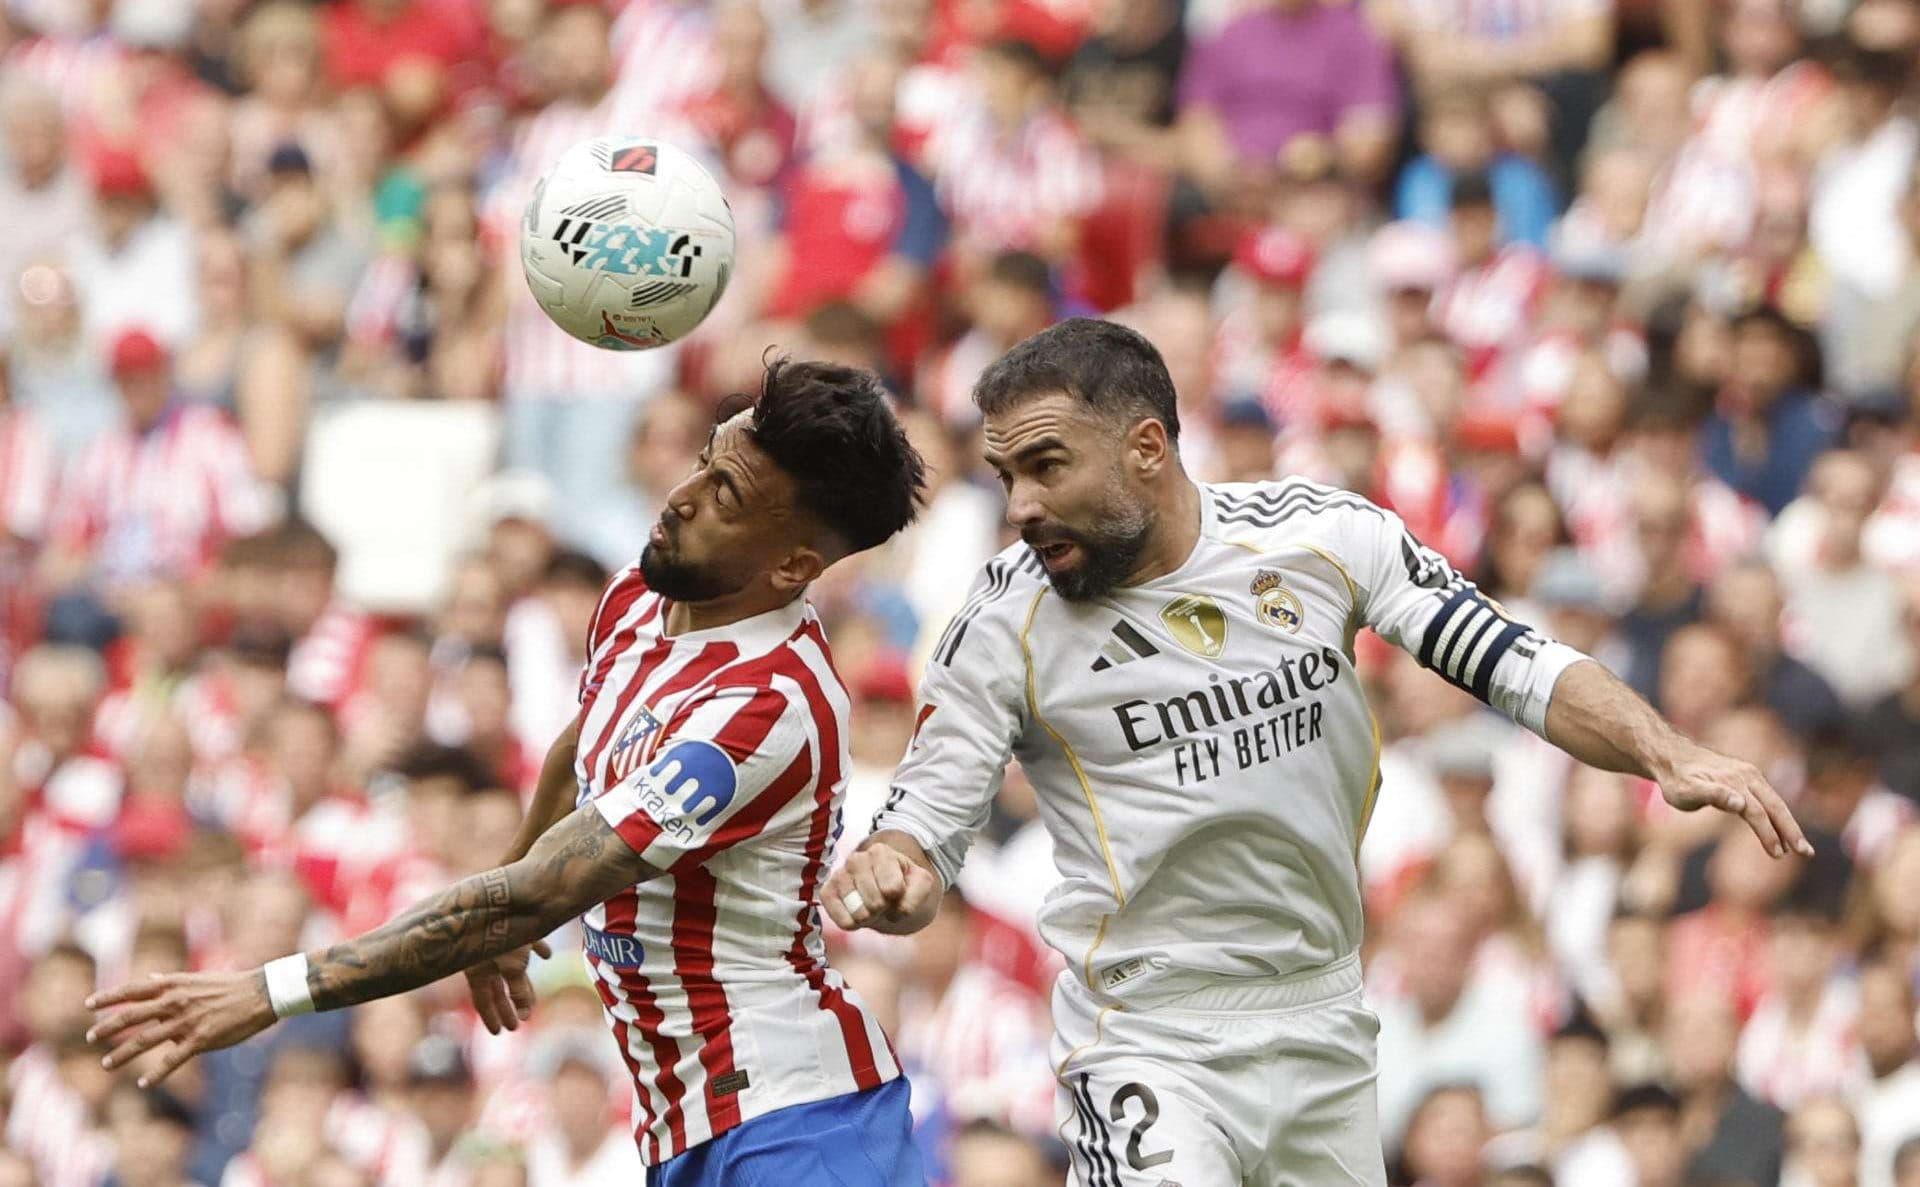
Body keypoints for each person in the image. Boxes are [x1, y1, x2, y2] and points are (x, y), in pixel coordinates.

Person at [827, 318, 1812, 1186]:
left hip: (1323, 1012)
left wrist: (1667, 752)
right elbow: (928, 821)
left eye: (1047, 466)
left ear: (1146, 447)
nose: (1022, 506)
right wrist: (897, 871)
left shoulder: (1320, 537)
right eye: (1006, 477)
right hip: (1144, 1028)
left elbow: (1516, 661)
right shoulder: (1005, 619)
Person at [84, 359, 932, 1187]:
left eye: (726, 496)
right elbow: (588, 739)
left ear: (791, 567)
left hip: (801, 1124)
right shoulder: (642, 593)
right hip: (692, 1127)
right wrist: (511, 892)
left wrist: (273, 989)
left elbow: (543, 891)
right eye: (706, 459)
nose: (683, 495)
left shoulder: (770, 704)